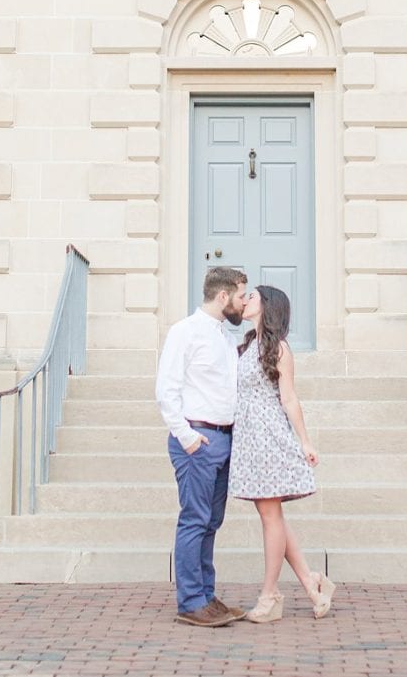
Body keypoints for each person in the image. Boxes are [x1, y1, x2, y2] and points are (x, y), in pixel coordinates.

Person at [227, 284, 334, 623]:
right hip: (249, 439)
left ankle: (270, 595)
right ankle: (310, 581)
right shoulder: (246, 345)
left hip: (269, 438)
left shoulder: (280, 349)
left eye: (252, 296)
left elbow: (289, 399)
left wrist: (305, 441)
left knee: (270, 516)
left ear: (268, 306)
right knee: (272, 515)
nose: (245, 300)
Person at [155, 265, 248, 628]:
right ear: (223, 296)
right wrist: (187, 436)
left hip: (224, 439)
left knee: (212, 521)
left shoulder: (224, 336)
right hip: (198, 439)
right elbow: (167, 388)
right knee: (194, 519)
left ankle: (207, 596)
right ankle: (191, 601)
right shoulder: (185, 332)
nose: (244, 302)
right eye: (241, 295)